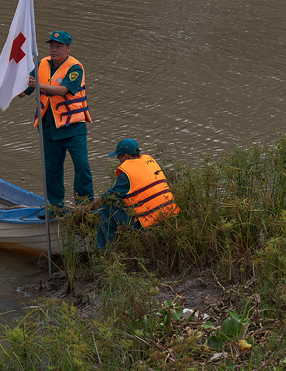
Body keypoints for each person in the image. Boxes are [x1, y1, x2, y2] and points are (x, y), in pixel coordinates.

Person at [18, 30, 93, 207]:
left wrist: (38, 85)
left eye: (58, 46)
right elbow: (23, 92)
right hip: (48, 127)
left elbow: (63, 90)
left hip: (72, 127)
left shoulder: (75, 67)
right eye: (51, 46)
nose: (54, 49)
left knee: (82, 166)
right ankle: (56, 206)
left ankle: (84, 206)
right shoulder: (41, 64)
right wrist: (1, 82)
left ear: (68, 48)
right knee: (52, 169)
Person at [88, 139, 180, 249]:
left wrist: (88, 210)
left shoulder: (126, 175)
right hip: (170, 218)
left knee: (105, 210)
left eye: (119, 157)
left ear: (126, 156)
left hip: (148, 224)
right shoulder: (150, 162)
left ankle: (103, 252)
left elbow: (108, 197)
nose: (119, 160)